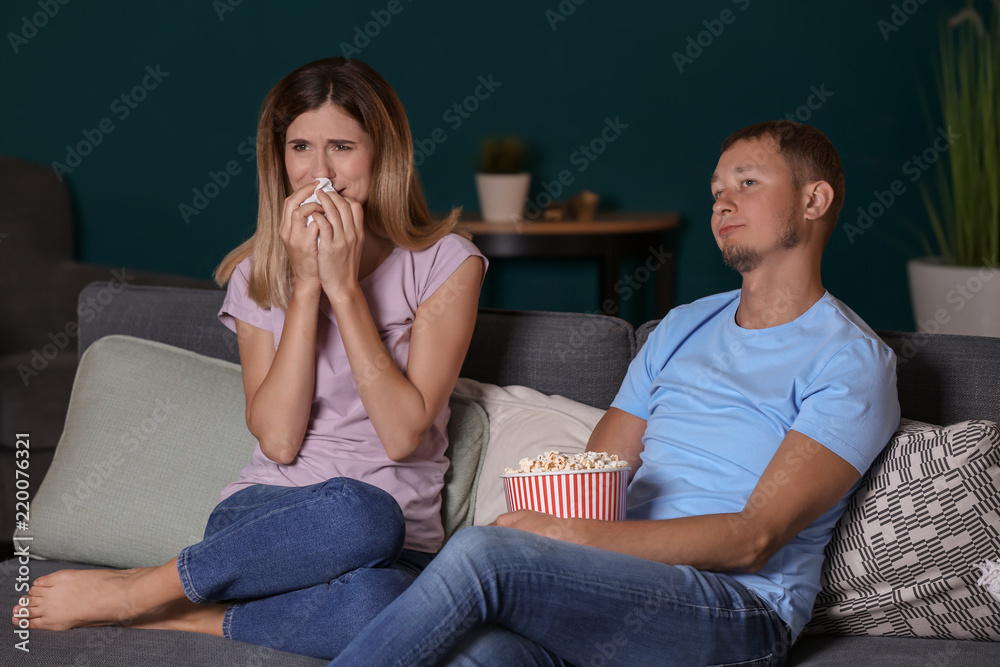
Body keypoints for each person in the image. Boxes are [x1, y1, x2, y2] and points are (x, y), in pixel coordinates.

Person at [328, 120, 901, 666]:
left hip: (737, 613)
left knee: (481, 555)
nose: (722, 203)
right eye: (716, 190)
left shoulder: (850, 360)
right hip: (614, 594)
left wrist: (560, 536)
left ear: (814, 200)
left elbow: (754, 538)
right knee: (477, 655)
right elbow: (598, 476)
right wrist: (543, 529)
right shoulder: (682, 327)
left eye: (747, 183)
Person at [11, 57, 487, 660]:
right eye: (300, 148)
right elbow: (281, 442)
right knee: (358, 511)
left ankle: (181, 613)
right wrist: (307, 285)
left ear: (383, 152)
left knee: (384, 592)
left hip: (396, 539)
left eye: (342, 146)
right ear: (279, 159)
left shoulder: (449, 262)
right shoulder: (256, 274)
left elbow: (400, 436)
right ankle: (147, 588)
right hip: (266, 525)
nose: (320, 174)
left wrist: (344, 288)